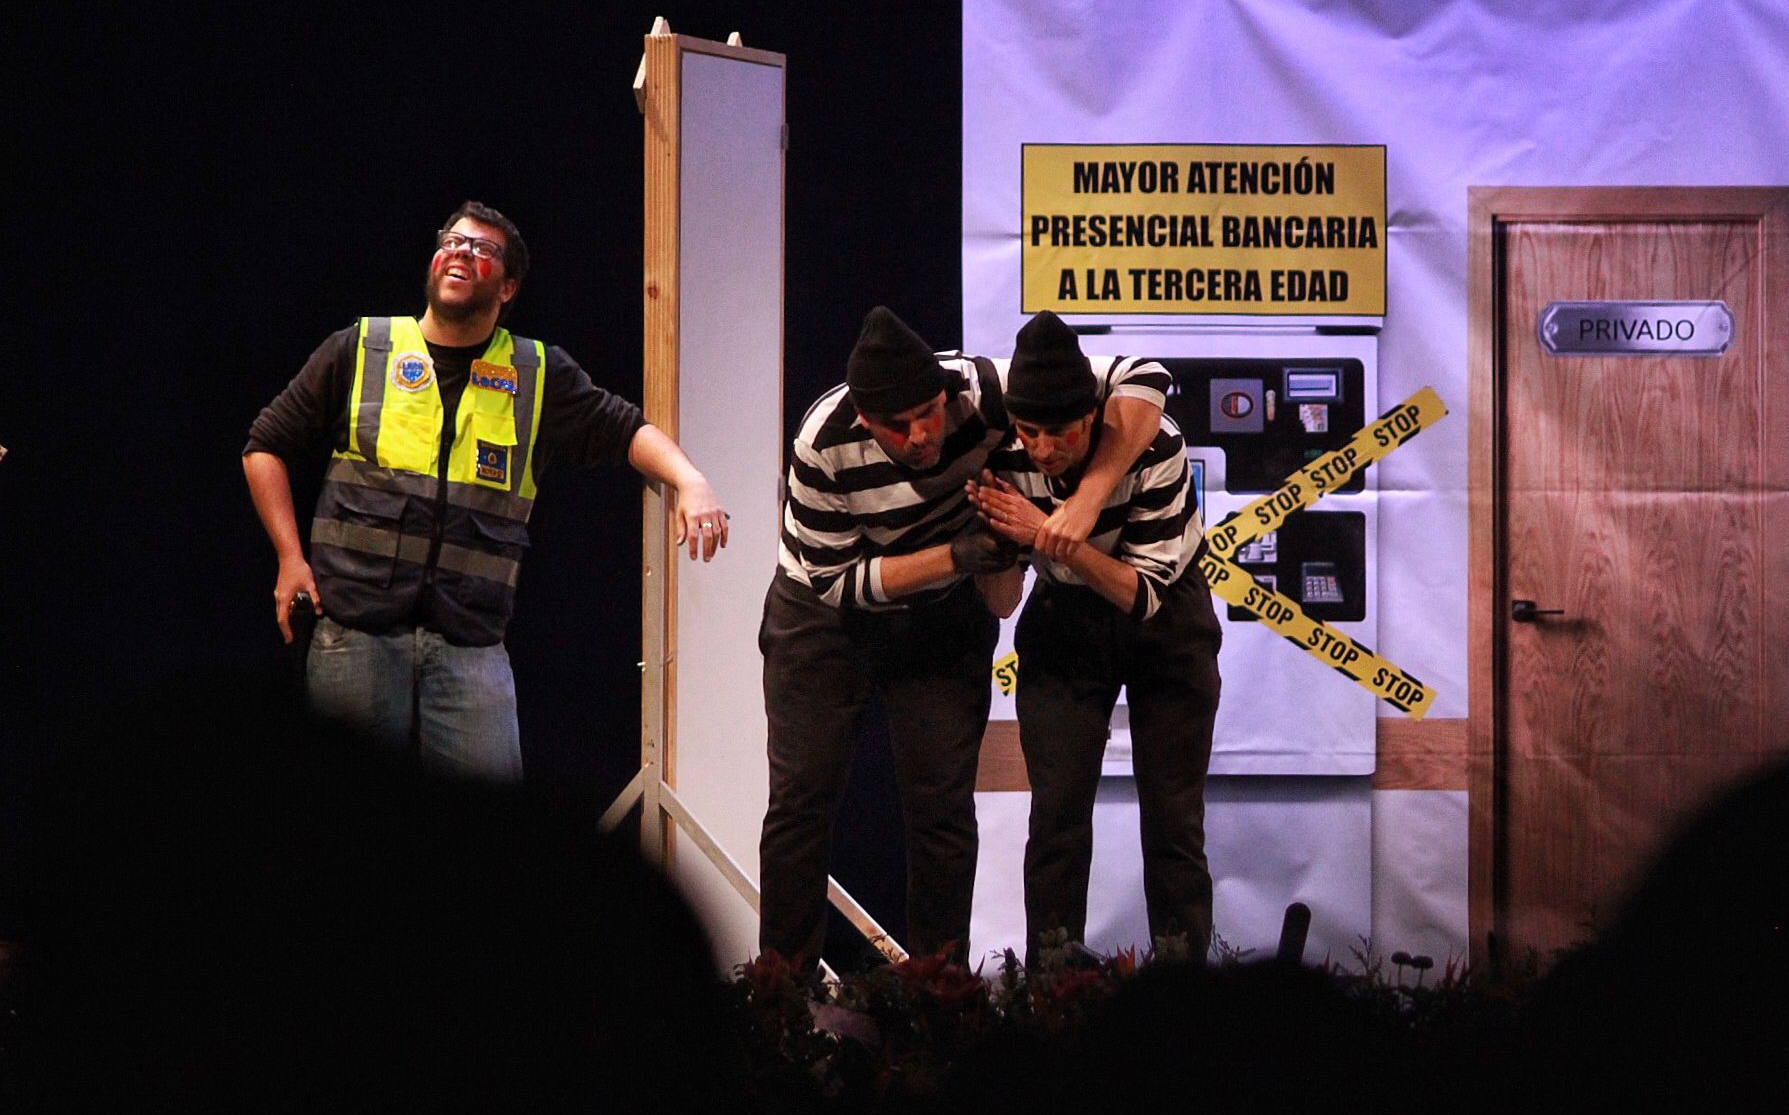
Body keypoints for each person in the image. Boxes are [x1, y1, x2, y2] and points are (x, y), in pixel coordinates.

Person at [242, 201, 726, 783]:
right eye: (452, 241)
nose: (462, 253)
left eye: (483, 250)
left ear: (508, 288)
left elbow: (625, 429)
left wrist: (690, 479)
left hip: (470, 645)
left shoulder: (535, 372)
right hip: (356, 633)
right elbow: (264, 445)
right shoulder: (363, 347)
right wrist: (289, 559)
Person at [758, 305, 1169, 967]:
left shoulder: (978, 387)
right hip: (823, 619)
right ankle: (781, 998)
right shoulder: (822, 442)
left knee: (942, 809)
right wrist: (958, 556)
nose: (922, 433)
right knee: (801, 804)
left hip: (943, 617)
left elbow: (1143, 376)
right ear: (865, 419)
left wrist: (1084, 503)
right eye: (899, 425)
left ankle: (938, 995)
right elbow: (839, 584)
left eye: (930, 411)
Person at [969, 310, 1221, 963]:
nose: (1044, 449)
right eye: (1030, 432)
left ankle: (1181, 986)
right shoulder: (1001, 447)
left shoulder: (1155, 445)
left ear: (1094, 417)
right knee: (1055, 816)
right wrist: (996, 548)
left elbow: (1141, 597)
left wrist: (1054, 533)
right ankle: (1052, 995)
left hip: (1162, 612)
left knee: (1173, 822)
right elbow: (1001, 603)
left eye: (1061, 433)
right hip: (1064, 614)